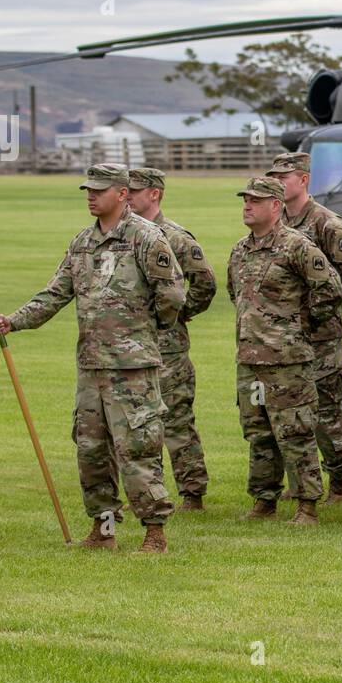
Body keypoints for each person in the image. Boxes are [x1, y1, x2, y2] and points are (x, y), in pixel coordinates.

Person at [0, 163, 184, 553]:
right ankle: (104, 529)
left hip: (131, 368)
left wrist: (140, 333)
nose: (91, 196)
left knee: (137, 448)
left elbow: (173, 295)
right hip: (92, 366)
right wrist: (14, 321)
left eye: (99, 189)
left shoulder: (146, 238)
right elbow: (56, 293)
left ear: (123, 193)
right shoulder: (82, 243)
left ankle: (154, 533)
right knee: (91, 449)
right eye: (87, 190)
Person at [226, 177, 342, 525]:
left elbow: (331, 289)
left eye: (256, 201)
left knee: (295, 432)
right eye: (245, 200)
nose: (247, 206)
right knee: (258, 432)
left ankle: (307, 503)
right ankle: (264, 499)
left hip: (287, 362)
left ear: (275, 206)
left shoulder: (297, 246)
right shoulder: (239, 250)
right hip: (250, 362)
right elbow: (237, 294)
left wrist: (301, 324)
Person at [266, 151, 342, 503]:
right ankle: (300, 482)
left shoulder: (325, 223)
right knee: (290, 411)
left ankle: (339, 483)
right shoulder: (276, 221)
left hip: (320, 336)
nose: (277, 182)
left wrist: (314, 310)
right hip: (283, 339)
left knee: (329, 411)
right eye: (273, 176)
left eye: (283, 177)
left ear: (303, 180)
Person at [127, 167, 217, 511]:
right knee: (136, 421)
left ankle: (192, 492)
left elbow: (205, 283)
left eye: (135, 191)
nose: (129, 196)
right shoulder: (126, 234)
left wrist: (179, 315)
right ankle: (146, 492)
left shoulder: (176, 238)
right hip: (131, 346)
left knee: (177, 419)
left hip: (169, 348)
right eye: (126, 190)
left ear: (154, 194)